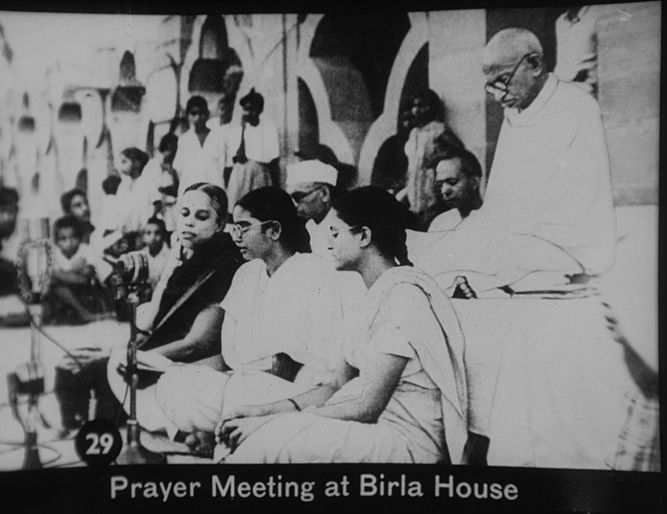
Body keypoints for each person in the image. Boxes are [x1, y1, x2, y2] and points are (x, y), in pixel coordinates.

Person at [217, 186, 472, 464]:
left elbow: (368, 406)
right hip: (370, 429)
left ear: (363, 236)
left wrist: (275, 422)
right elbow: (336, 385)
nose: (328, 244)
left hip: (407, 442)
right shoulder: (367, 296)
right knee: (252, 422)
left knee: (276, 439)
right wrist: (262, 412)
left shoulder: (405, 297)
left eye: (336, 234)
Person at [144, 187, 358, 456]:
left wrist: (244, 381)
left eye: (243, 228)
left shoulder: (312, 272)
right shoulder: (247, 273)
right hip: (241, 382)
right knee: (173, 383)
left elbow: (300, 365)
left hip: (289, 391)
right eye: (233, 229)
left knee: (238, 393)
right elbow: (228, 356)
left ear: (274, 231)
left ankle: (228, 437)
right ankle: (225, 432)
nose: (236, 237)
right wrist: (180, 370)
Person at [407, 28, 616, 295]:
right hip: (519, 236)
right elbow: (500, 200)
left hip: (565, 244)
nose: (497, 94)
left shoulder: (577, 108)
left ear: (535, 65)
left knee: (483, 256)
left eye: (504, 80)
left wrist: (502, 232)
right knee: (438, 247)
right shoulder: (516, 113)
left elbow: (575, 207)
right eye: (491, 85)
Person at [103, 183, 245, 433]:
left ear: (221, 224)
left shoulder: (222, 265)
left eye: (202, 216)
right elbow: (153, 319)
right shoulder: (187, 258)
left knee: (110, 371)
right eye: (185, 213)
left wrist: (142, 358)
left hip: (200, 364)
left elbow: (198, 343)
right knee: (100, 367)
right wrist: (171, 264)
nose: (189, 223)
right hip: (171, 355)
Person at [42, 215, 114, 324]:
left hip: (83, 289)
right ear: (56, 241)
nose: (69, 242)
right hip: (64, 291)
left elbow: (86, 276)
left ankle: (92, 312)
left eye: (73, 237)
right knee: (57, 288)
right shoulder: (55, 255)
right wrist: (74, 271)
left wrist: (62, 275)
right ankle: (83, 313)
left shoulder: (85, 250)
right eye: (63, 239)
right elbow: (52, 276)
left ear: (80, 238)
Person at [399, 89, 454, 230]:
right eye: (414, 106)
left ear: (431, 108)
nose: (416, 110)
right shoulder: (414, 132)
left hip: (431, 190)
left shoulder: (437, 130)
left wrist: (436, 160)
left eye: (422, 106)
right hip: (414, 189)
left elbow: (455, 148)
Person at [219, 88, 280, 211]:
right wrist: (243, 129)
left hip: (261, 174)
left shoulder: (269, 128)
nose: (249, 113)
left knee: (261, 209)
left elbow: (274, 160)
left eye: (253, 109)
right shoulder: (237, 130)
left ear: (260, 109)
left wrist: (276, 185)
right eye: (246, 109)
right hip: (242, 174)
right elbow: (239, 157)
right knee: (240, 208)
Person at [285, 159, 339, 258]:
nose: (295, 204)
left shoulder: (342, 228)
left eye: (298, 196)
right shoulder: (311, 225)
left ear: (324, 194)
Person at [172, 96, 223, 193]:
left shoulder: (218, 137)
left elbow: (226, 168)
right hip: (190, 190)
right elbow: (177, 168)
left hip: (214, 190)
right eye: (194, 113)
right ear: (187, 115)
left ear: (208, 114)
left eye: (202, 113)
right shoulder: (184, 140)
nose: (198, 117)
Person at [427, 148, 484, 232]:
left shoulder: (491, 219)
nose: (444, 191)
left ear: (474, 182)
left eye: (452, 182)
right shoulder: (440, 223)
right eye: (440, 185)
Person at [113, 147, 160, 234]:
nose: (122, 166)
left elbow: (157, 203)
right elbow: (119, 208)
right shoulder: (123, 185)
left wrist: (150, 221)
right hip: (126, 231)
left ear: (137, 163)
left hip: (144, 230)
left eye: (125, 161)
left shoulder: (147, 182)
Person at [140, 217, 172, 291]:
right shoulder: (141, 256)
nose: (153, 237)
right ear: (143, 237)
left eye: (157, 233)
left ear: (163, 235)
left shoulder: (171, 256)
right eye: (148, 233)